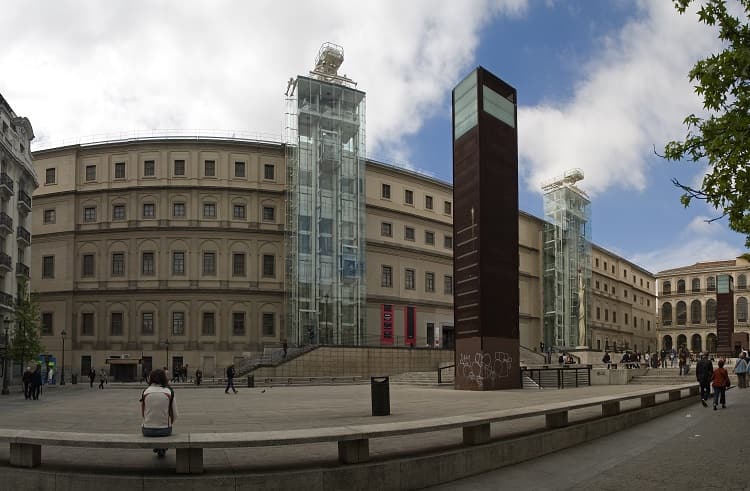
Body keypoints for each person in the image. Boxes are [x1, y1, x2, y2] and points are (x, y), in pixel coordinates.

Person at [140, 368, 178, 458]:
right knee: (163, 429)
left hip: (147, 430)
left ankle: (160, 447)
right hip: (165, 430)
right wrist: (168, 422)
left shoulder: (145, 392)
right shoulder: (169, 392)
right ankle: (162, 448)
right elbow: (175, 415)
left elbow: (143, 413)